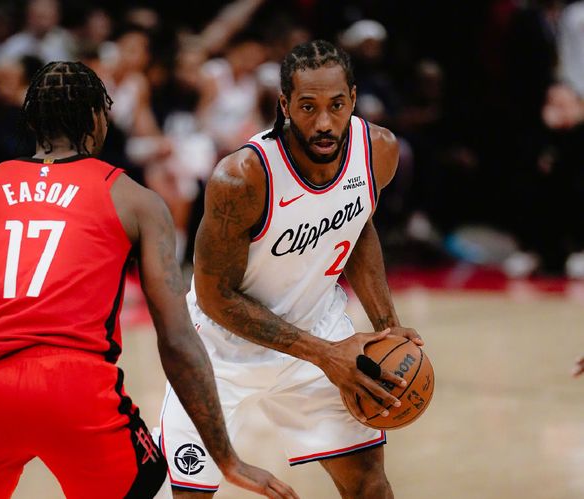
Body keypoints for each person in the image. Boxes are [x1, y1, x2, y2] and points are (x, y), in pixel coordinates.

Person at [0, 61, 297, 499]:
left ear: (30, 122)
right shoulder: (135, 200)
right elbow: (177, 339)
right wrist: (226, 458)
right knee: (150, 484)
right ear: (98, 119)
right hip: (75, 388)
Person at [159, 40, 423, 498]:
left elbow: (357, 225)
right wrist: (325, 354)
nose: (324, 123)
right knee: (186, 495)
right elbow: (215, 297)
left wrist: (387, 326)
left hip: (318, 331)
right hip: (221, 350)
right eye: (307, 107)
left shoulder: (377, 150)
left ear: (353, 99)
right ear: (284, 105)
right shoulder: (242, 177)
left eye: (336, 105)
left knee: (369, 486)